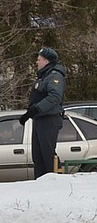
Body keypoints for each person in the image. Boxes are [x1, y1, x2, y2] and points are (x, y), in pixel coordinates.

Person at [19, 47, 67, 178]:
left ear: (46, 61)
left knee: (47, 156)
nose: (36, 62)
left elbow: (54, 97)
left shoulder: (54, 76)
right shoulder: (44, 76)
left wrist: (36, 109)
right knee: (38, 157)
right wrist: (30, 113)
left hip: (49, 120)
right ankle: (40, 185)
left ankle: (53, 186)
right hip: (40, 119)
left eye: (38, 59)